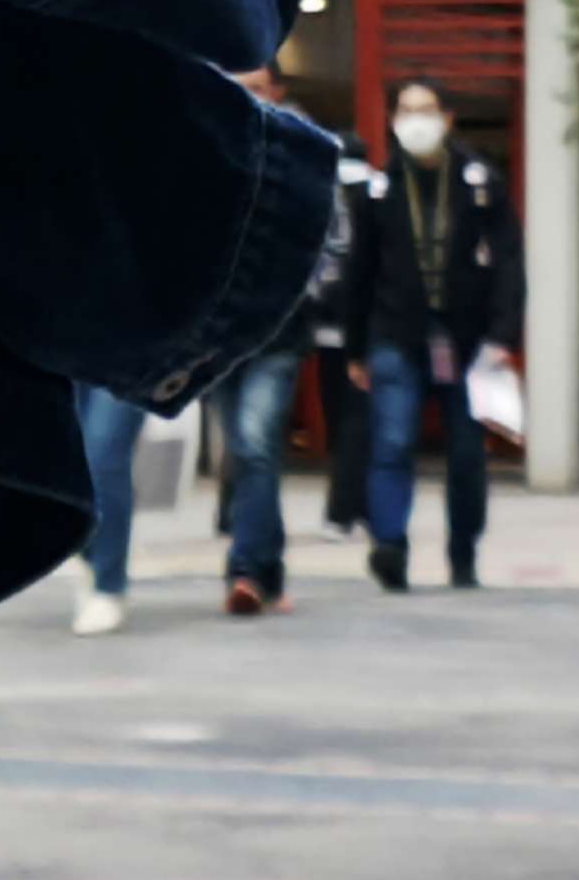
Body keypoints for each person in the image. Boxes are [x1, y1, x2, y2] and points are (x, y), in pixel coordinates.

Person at [326, 66, 522, 592]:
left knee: (465, 451)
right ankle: (390, 545)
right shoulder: (380, 188)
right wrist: (355, 346)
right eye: (406, 111)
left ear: (448, 118)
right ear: (392, 120)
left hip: (467, 339)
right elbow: (359, 270)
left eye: (425, 111)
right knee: (391, 441)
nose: (415, 121)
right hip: (395, 334)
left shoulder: (481, 182)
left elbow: (509, 261)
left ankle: (463, 551)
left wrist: (504, 334)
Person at [209, 42, 351, 616]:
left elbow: (336, 238)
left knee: (255, 443)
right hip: (217, 335)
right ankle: (268, 571)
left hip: (277, 332)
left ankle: (244, 571)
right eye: (235, 87)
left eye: (256, 87)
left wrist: (298, 292)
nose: (245, 99)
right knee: (245, 452)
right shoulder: (207, 142)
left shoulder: (305, 152)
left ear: (277, 91)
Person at [65, 372, 150, 636]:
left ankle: (108, 585)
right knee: (70, 456)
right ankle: (91, 553)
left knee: (104, 457)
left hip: (133, 352)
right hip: (65, 347)